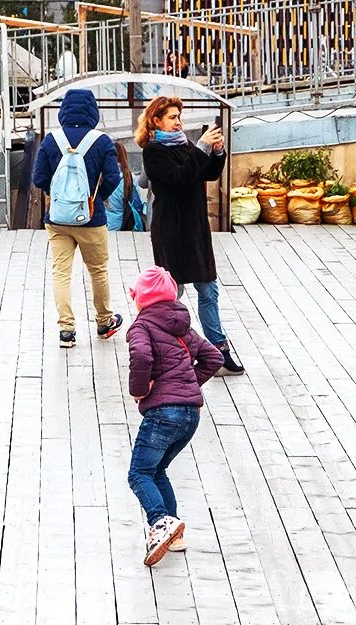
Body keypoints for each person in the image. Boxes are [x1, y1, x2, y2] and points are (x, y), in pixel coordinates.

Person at [137, 95, 244, 374]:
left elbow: (205, 173)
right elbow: (179, 178)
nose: (178, 123)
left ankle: (219, 350)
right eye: (172, 118)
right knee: (173, 293)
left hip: (196, 228)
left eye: (179, 117)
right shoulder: (153, 152)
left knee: (208, 289)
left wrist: (217, 152)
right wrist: (202, 147)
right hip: (171, 230)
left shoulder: (185, 144)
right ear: (156, 121)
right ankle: (162, 347)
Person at [125, 266, 223, 565]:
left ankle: (160, 522)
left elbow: (141, 357)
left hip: (162, 414)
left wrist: (140, 390)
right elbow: (214, 357)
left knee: (139, 473)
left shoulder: (141, 327)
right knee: (157, 471)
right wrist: (187, 383)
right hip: (190, 415)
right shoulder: (183, 326)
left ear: (140, 298)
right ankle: (175, 534)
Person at [30, 88, 126, 348]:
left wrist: (59, 197)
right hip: (92, 219)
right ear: (93, 111)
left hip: (58, 220)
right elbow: (114, 178)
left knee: (61, 272)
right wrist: (93, 200)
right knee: (98, 271)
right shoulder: (102, 141)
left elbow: (38, 179)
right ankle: (104, 321)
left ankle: (66, 331)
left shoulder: (51, 140)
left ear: (63, 111)